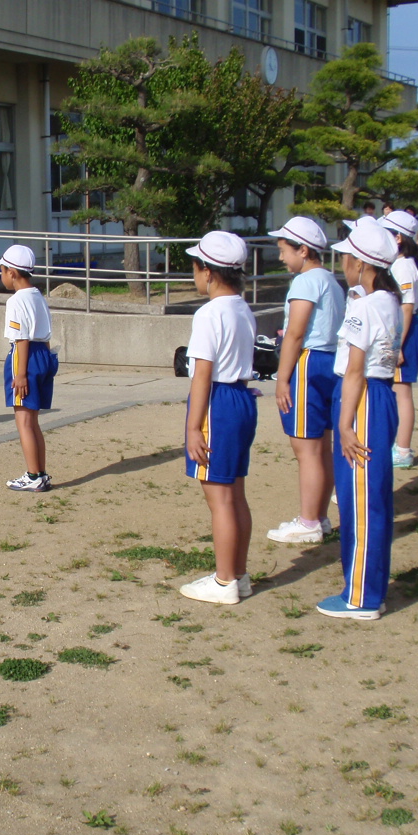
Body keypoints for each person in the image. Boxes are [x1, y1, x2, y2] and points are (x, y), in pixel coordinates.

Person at [322, 220, 401, 619]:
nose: (343, 264)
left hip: (363, 399)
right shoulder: (388, 300)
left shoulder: (365, 306)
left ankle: (362, 595)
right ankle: (368, 587)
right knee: (370, 496)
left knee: (362, 500)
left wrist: (344, 424)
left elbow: (355, 369)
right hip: (378, 395)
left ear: (361, 263)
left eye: (347, 258)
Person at [177, 232, 257, 606]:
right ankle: (238, 574)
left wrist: (193, 427)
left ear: (208, 272)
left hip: (219, 403)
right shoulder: (243, 308)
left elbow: (202, 375)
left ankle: (224, 581)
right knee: (235, 493)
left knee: (219, 499)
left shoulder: (209, 313)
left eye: (195, 267)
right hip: (241, 397)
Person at [267, 216, 343, 544]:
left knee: (306, 448)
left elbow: (295, 333)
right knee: (321, 446)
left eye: (284, 250)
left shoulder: (305, 281)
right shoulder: (331, 280)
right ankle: (319, 516)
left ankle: (309, 520)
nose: (281, 257)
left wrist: (282, 379)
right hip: (330, 362)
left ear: (303, 250)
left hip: (308, 363)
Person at [0, 245, 56, 493]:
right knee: (32, 421)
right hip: (43, 353)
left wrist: (21, 374)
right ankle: (40, 474)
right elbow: (46, 334)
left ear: (11, 273)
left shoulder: (16, 301)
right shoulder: (38, 296)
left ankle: (33, 476)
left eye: (2, 270)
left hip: (25, 357)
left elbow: (21, 338)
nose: (1, 275)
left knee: (23, 421)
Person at [381, 211, 418, 468]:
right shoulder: (398, 265)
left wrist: (398, 346)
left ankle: (403, 449)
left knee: (402, 391)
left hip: (405, 333)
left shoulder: (404, 266)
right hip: (400, 331)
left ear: (398, 238)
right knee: (398, 390)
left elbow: (406, 308)